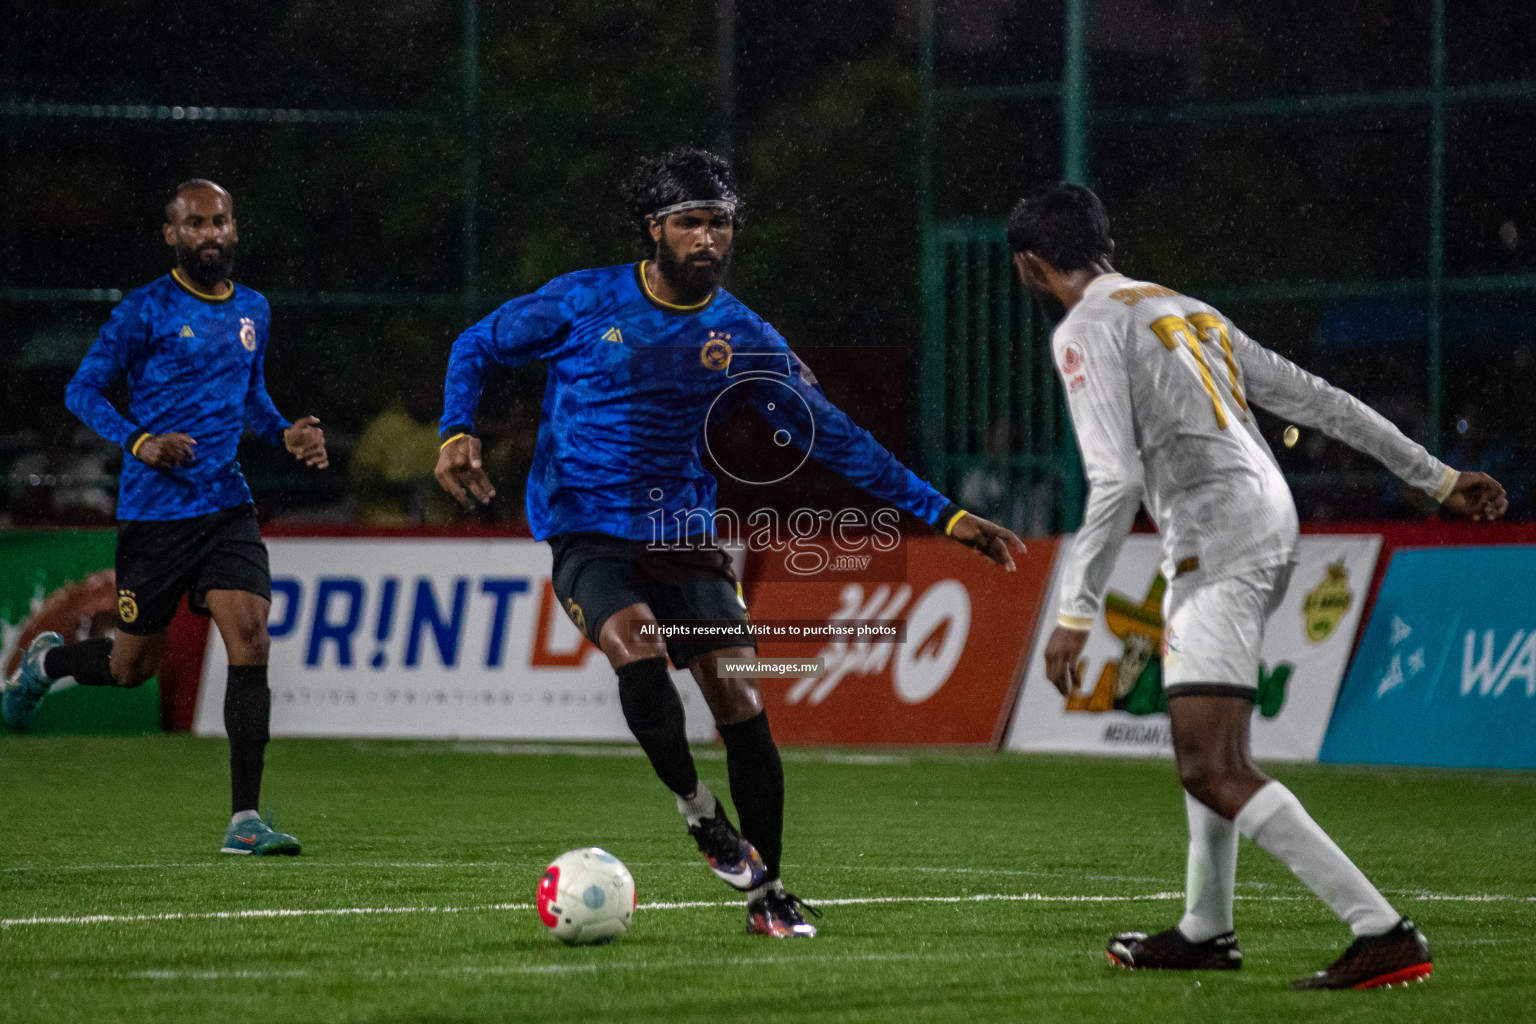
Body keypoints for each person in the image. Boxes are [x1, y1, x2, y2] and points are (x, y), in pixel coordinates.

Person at [436, 148, 1023, 937]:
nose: (708, 238)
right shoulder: (582, 301)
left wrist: (946, 516)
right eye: (691, 223)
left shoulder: (741, 335)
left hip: (685, 535)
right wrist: (457, 430)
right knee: (635, 643)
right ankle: (697, 807)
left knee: (741, 698)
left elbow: (834, 438)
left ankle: (768, 893)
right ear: (655, 230)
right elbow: (476, 343)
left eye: (720, 223)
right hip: (586, 526)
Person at [1010, 183, 1506, 990]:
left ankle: (1381, 929)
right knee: (1210, 744)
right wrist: (1437, 475)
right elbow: (1320, 400)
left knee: (1210, 764)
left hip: (1219, 536)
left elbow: (1113, 481)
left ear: (1031, 265)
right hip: (1261, 519)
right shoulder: (1185, 309)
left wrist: (1074, 610)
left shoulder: (1087, 330)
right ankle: (1206, 928)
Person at [2, 180, 329, 856]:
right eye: (197, 224)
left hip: (226, 505)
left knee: (252, 636)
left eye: (221, 221)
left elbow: (251, 398)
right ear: (171, 234)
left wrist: (285, 434)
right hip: (155, 515)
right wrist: (141, 441)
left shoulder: (254, 310)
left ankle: (245, 820)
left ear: (234, 229)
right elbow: (82, 388)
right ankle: (46, 664)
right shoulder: (144, 311)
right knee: (131, 668)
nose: (211, 234)